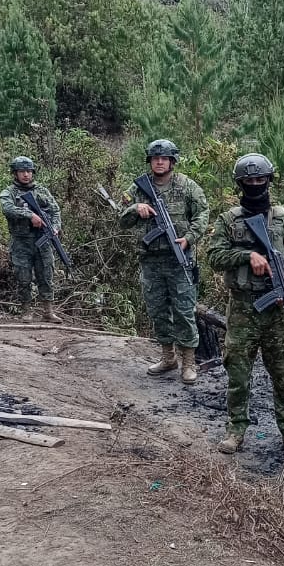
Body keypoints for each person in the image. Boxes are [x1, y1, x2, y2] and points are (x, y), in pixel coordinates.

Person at [207, 153, 284, 456]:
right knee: (238, 374)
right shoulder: (228, 220)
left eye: (260, 179)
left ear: (269, 180)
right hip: (243, 308)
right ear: (240, 183)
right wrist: (246, 256)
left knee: (283, 374)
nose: (255, 184)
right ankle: (236, 429)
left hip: (277, 311)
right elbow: (214, 257)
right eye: (249, 180)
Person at [119, 139, 209, 384]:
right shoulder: (139, 187)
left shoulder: (187, 186)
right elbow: (122, 218)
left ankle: (188, 363)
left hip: (179, 260)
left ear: (172, 161)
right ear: (150, 160)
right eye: (155, 158)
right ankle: (168, 357)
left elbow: (203, 214)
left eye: (164, 158)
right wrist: (136, 208)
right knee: (158, 310)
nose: (159, 162)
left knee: (184, 311)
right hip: (151, 260)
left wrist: (189, 239)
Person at [0, 156, 63, 324]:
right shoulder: (9, 192)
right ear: (15, 173)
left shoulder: (41, 190)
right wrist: (30, 215)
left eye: (28, 171)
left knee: (46, 275)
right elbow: (7, 209)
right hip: (21, 242)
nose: (26, 175)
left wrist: (55, 227)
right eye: (22, 172)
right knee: (23, 277)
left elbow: (55, 210)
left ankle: (48, 311)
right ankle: (26, 311)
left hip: (42, 240)